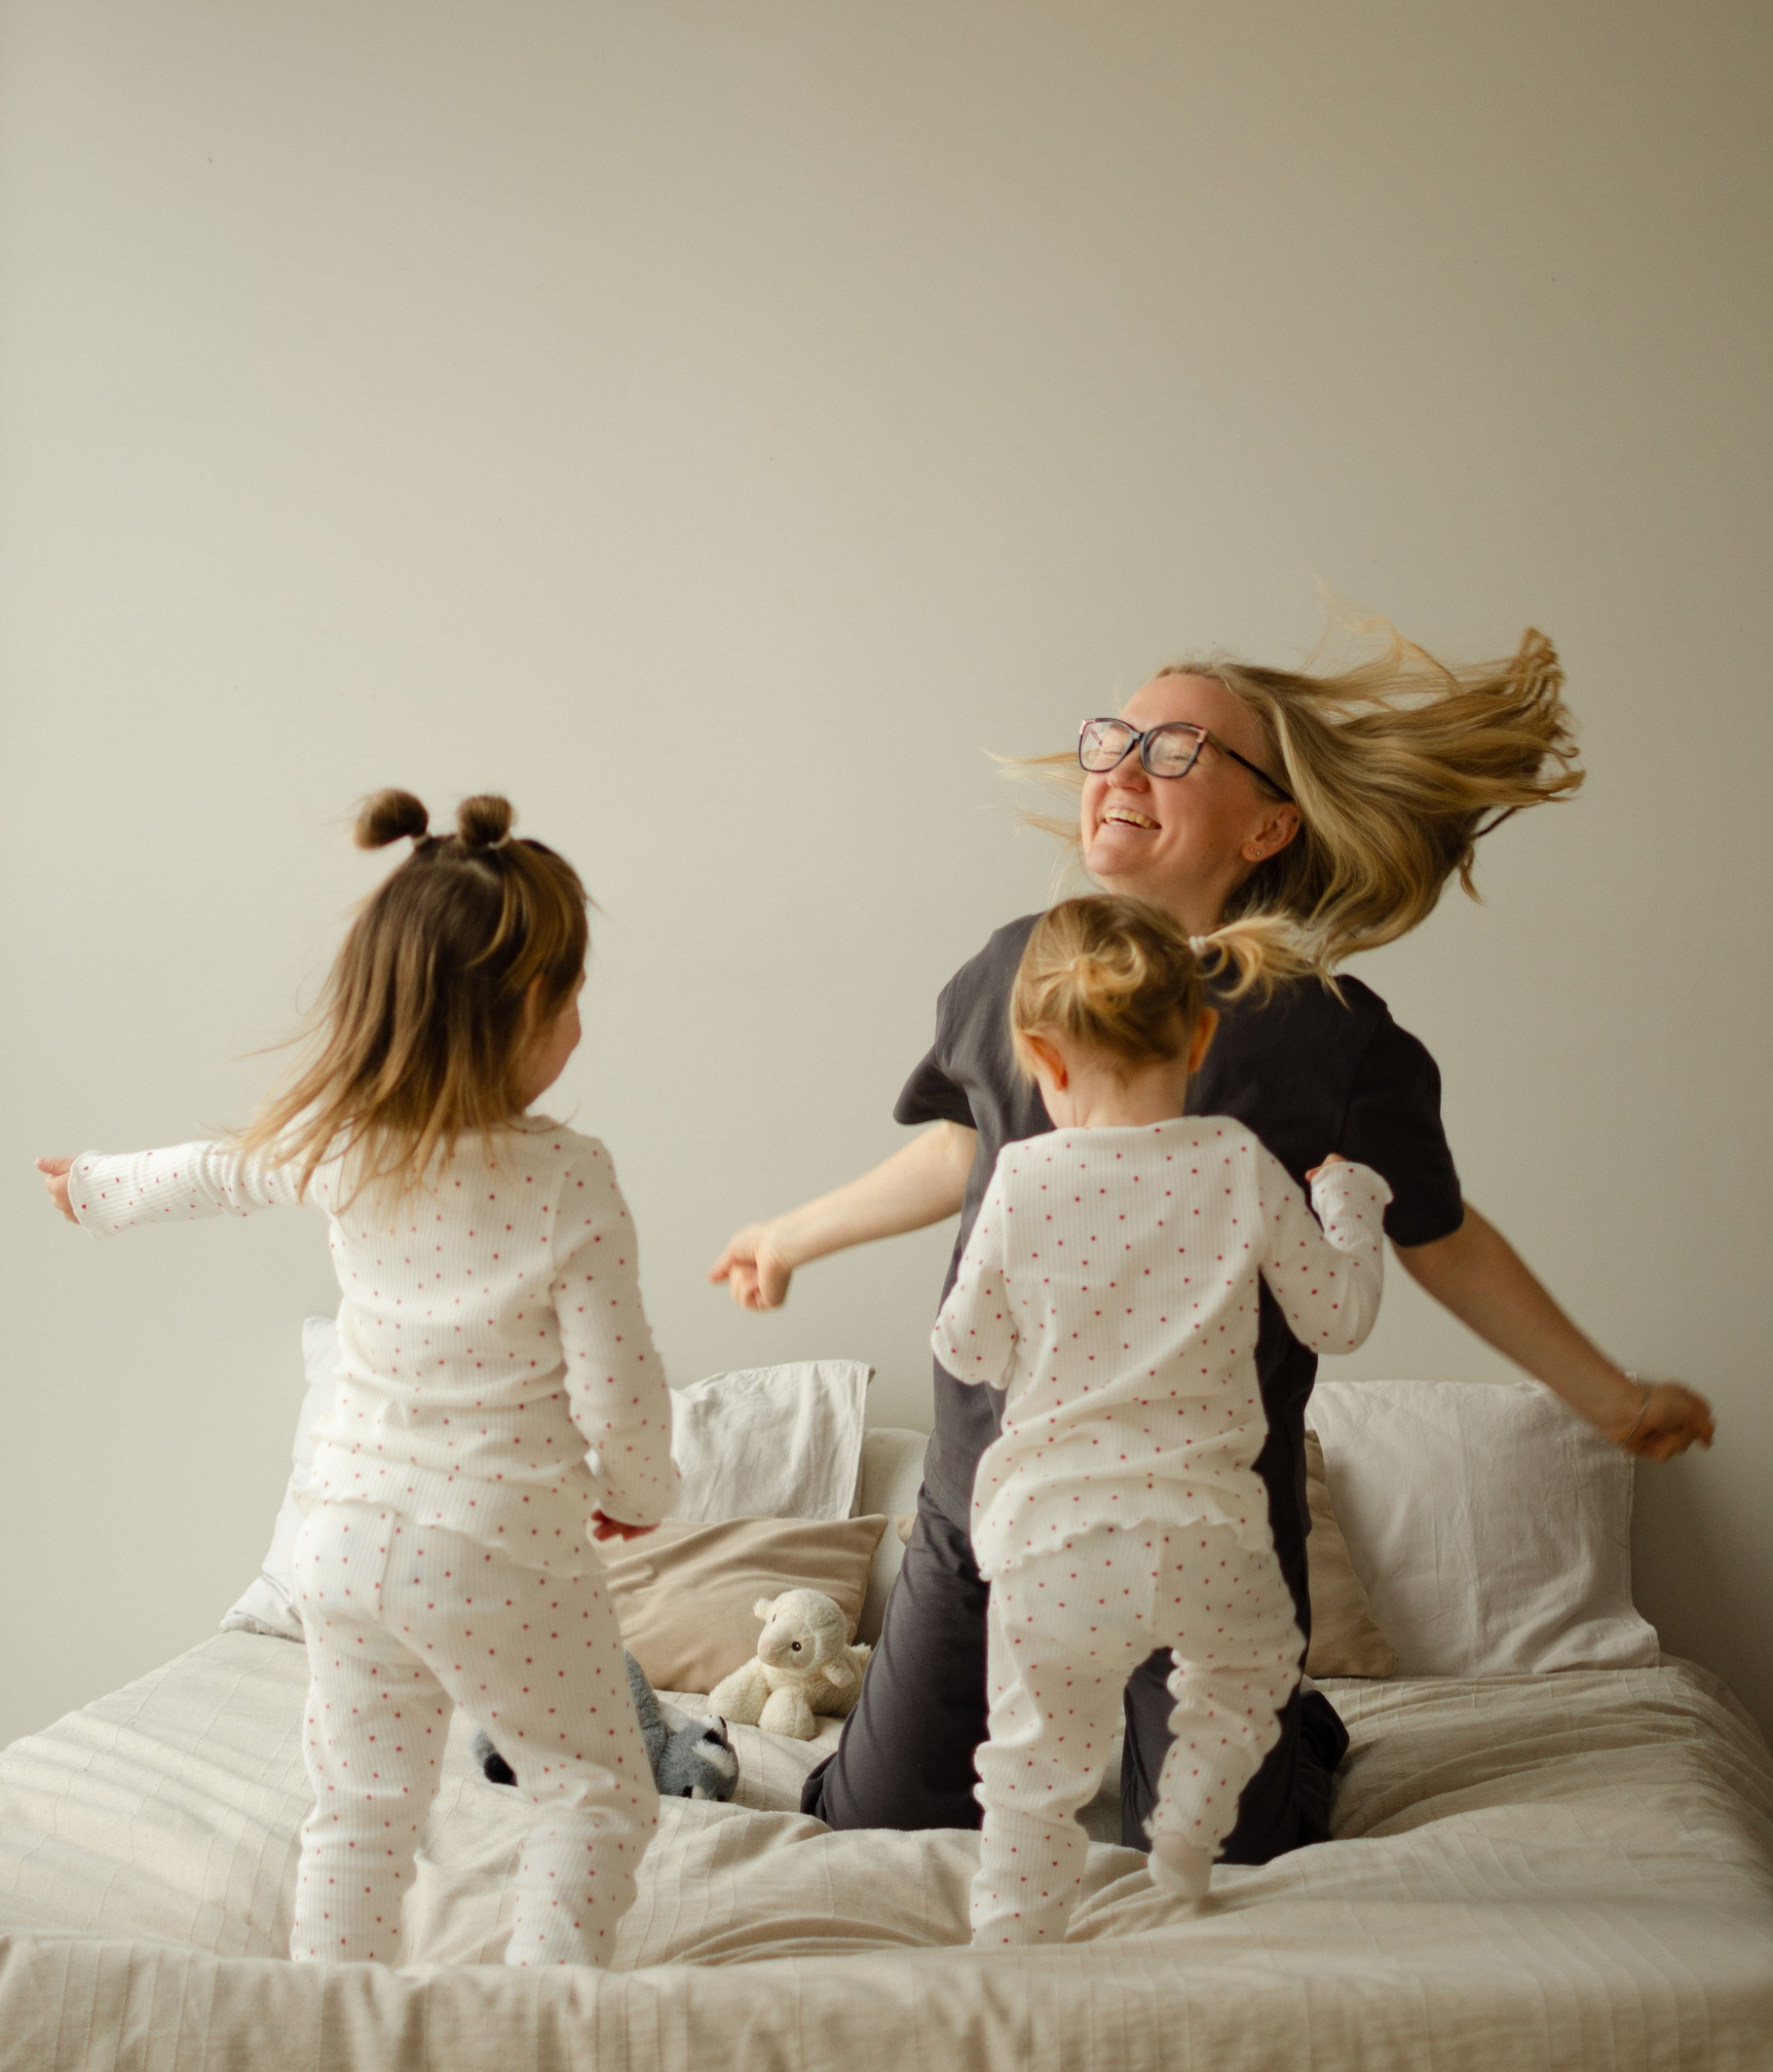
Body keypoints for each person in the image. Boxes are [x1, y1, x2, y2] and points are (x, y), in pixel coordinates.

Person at [710, 618, 1716, 1859]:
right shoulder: (1010, 971)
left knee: (1228, 1846)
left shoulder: (1327, 1031)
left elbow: (1442, 1239)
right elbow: (965, 1150)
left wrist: (1611, 1398)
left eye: (1177, 747)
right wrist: (789, 1234)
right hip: (996, 1509)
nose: (1126, 764)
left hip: (1207, 1529)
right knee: (872, 1825)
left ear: (1267, 827)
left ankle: (1298, 1727)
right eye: (1115, 738)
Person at [36, 791, 676, 1970]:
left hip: (341, 1546)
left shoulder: (345, 1141)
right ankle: (534, 2019)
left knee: (360, 1810)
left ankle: (332, 2017)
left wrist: (95, 1186)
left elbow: (218, 1170)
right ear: (532, 1004)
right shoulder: (568, 1177)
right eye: (573, 996)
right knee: (593, 1792)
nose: (580, 1023)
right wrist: (643, 1490)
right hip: (497, 1547)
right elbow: (619, 1387)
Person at [937, 894, 1389, 1944]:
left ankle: (1012, 1939)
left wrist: (1030, 1342)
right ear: (1198, 1036)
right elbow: (1339, 1316)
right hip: (1206, 1535)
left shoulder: (1022, 1177)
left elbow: (963, 1346)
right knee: (1253, 1679)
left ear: (1039, 1057)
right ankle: (1187, 1827)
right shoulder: (1235, 1160)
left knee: (1033, 1770)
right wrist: (1352, 1206)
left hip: (1054, 1547)